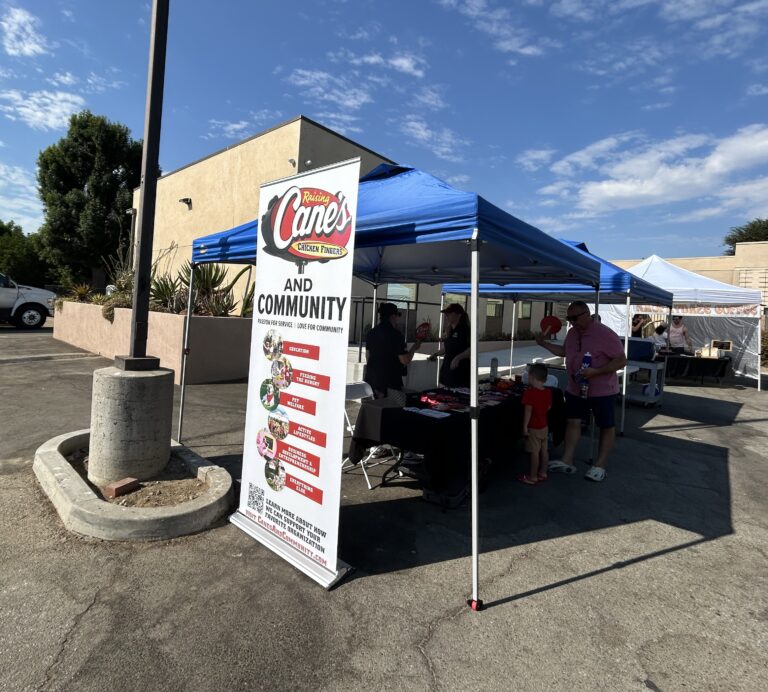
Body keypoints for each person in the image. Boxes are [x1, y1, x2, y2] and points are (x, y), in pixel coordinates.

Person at [534, 301, 627, 482]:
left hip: (602, 390)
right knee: (573, 421)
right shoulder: (572, 333)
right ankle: (567, 460)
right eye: (569, 318)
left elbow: (621, 360)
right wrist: (543, 344)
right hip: (576, 388)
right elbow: (564, 352)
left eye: (575, 318)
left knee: (606, 425)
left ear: (587, 314)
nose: (572, 322)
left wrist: (597, 372)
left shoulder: (605, 334)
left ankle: (599, 465)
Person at [364, 302, 422, 399]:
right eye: (397, 316)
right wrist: (414, 348)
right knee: (390, 411)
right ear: (392, 316)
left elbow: (368, 356)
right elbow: (405, 360)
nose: (397, 319)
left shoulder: (371, 333)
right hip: (390, 382)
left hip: (372, 381)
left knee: (373, 410)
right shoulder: (396, 335)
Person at [519, 363, 552, 485]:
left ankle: (532, 476)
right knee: (544, 450)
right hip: (544, 426)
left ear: (532, 377)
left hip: (534, 427)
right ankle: (543, 472)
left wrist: (524, 427)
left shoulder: (529, 393)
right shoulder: (548, 392)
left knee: (534, 452)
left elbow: (528, 412)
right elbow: (549, 407)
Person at [428, 303, 471, 387]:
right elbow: (448, 348)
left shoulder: (465, 329)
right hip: (447, 370)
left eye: (450, 313)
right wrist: (436, 354)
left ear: (458, 315)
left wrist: (458, 358)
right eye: (446, 313)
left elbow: (472, 349)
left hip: (460, 372)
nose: (446, 315)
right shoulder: (450, 330)